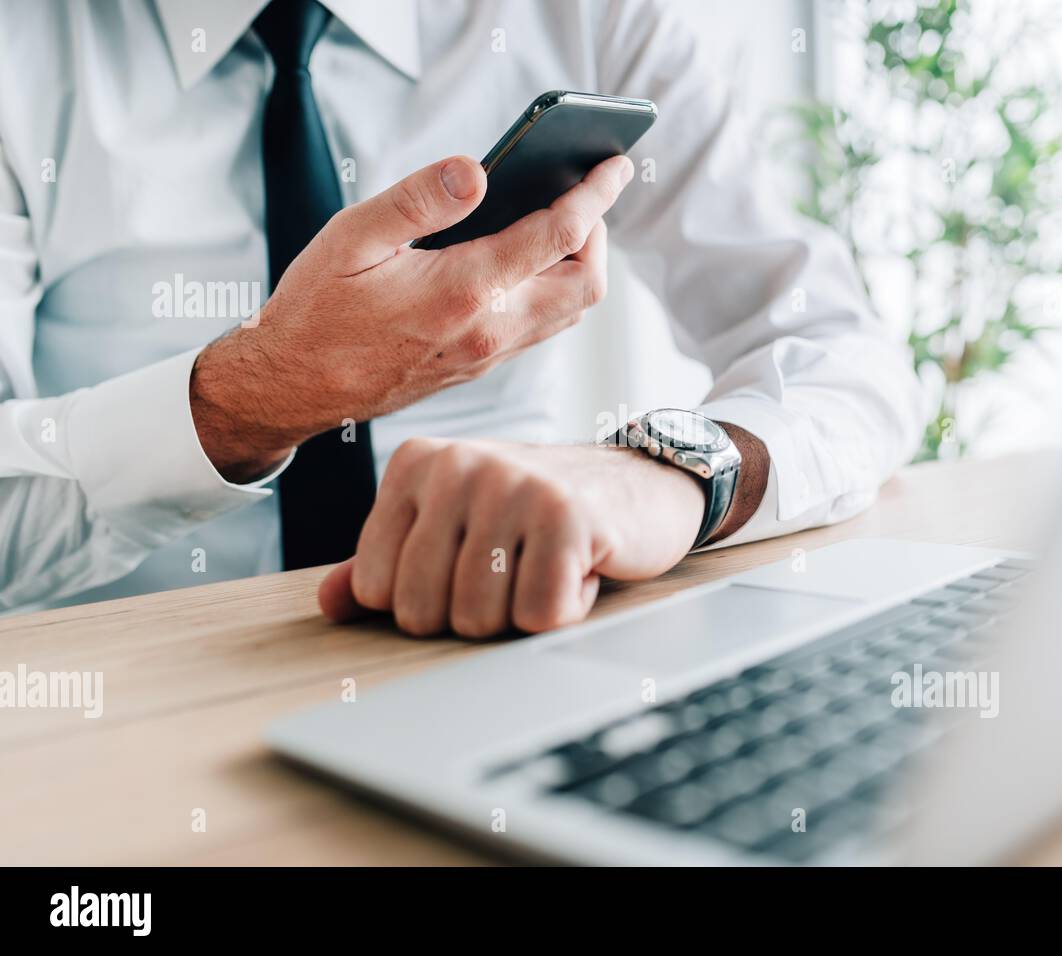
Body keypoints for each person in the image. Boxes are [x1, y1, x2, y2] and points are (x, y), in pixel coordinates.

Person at [0, 0, 923, 636]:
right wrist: (249, 400)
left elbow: (843, 349)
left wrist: (669, 473)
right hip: (130, 689)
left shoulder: (590, 15)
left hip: (514, 635)